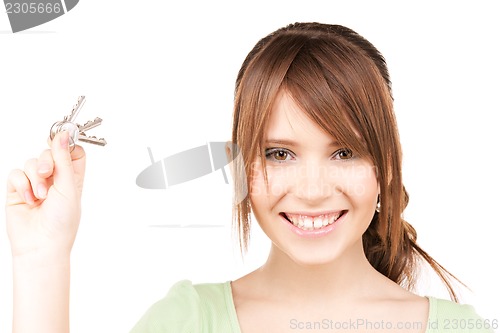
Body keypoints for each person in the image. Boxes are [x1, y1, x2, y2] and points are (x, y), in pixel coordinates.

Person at [5, 22, 494, 333]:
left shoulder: (458, 329)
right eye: (280, 153)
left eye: (344, 151)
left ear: (385, 165)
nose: (312, 189)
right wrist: (40, 260)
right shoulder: (189, 322)